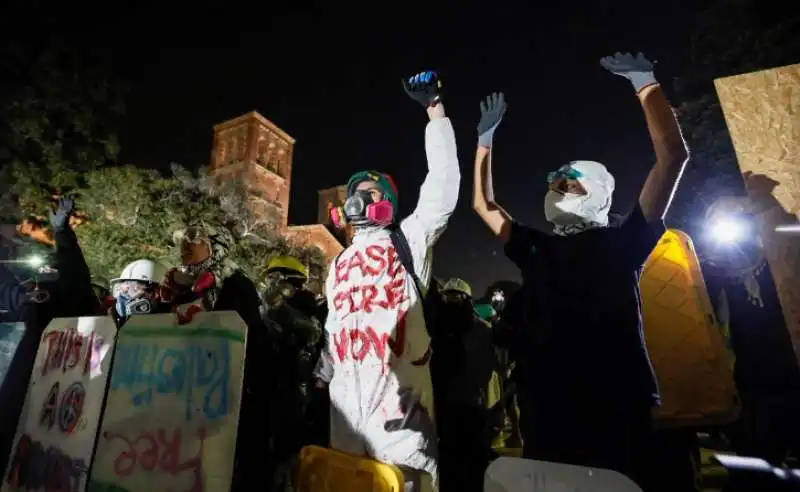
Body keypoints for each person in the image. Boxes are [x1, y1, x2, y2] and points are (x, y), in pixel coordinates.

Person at [471, 52, 689, 489]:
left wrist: (646, 85)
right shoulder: (537, 247)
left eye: (569, 181)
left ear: (599, 192)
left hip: (616, 404)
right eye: (555, 181)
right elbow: (483, 205)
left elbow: (672, 158)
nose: (557, 187)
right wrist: (484, 142)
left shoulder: (624, 240)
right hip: (547, 406)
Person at [322, 70, 459, 492]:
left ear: (388, 203)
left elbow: (443, 187)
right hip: (345, 412)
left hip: (402, 413)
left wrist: (435, 113)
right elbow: (334, 325)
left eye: (370, 191)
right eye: (354, 192)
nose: (359, 198)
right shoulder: (339, 263)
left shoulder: (408, 240)